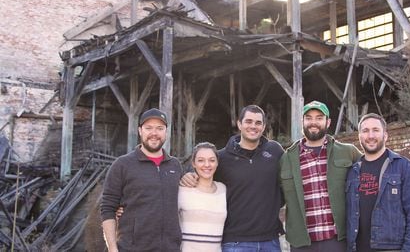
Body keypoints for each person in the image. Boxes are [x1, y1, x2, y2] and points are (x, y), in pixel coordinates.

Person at [181, 105, 284, 252]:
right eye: (248, 121)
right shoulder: (222, 158)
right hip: (236, 242)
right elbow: (203, 173)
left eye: (258, 123)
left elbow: (286, 182)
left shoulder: (275, 151)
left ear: (264, 127)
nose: (253, 126)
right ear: (239, 124)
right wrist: (188, 175)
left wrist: (274, 203)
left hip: (270, 241)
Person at [280, 100, 362, 251]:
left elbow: (373, 170)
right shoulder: (286, 159)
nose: (313, 122)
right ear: (302, 121)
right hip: (302, 244)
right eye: (309, 118)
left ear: (328, 122)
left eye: (319, 118)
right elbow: (273, 196)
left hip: (338, 241)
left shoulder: (348, 152)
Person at [100, 108, 182, 252]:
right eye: (148, 128)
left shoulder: (175, 165)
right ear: (140, 131)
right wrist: (112, 248)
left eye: (159, 128)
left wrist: (189, 177)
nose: (154, 133)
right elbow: (107, 209)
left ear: (166, 132)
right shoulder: (122, 165)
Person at [345, 113, 410, 251]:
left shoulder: (403, 167)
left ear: (385, 135)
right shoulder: (352, 171)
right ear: (359, 137)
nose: (370, 136)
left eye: (376, 130)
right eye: (365, 131)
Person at [178, 142, 227, 252]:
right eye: (200, 160)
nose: (207, 165)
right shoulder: (182, 190)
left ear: (217, 163)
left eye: (212, 160)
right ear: (193, 163)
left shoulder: (223, 190)